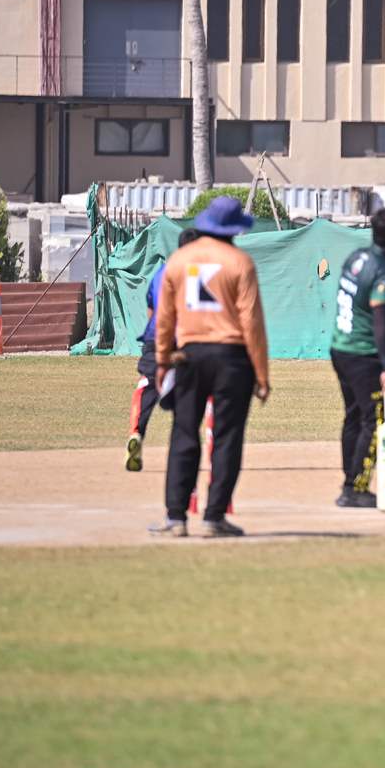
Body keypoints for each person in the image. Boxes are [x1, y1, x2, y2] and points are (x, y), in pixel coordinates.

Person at [149, 197, 270, 537]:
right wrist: (262, 374)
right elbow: (252, 323)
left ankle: (175, 517)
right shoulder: (240, 262)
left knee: (184, 433)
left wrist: (162, 360)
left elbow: (165, 318)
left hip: (189, 357)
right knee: (228, 437)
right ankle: (214, 517)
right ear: (234, 229)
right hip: (232, 359)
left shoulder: (179, 260)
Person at [328, 208, 385, 508]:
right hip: (363, 355)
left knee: (353, 416)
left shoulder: (356, 257)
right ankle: (355, 488)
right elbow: (380, 325)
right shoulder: (384, 273)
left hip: (340, 348)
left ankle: (350, 481)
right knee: (373, 421)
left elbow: (357, 297)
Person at [125, 229, 198, 472]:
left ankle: (136, 433)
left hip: (155, 336)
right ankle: (183, 448)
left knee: (147, 384)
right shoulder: (196, 273)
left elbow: (151, 307)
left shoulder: (162, 271)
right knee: (189, 393)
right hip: (184, 338)